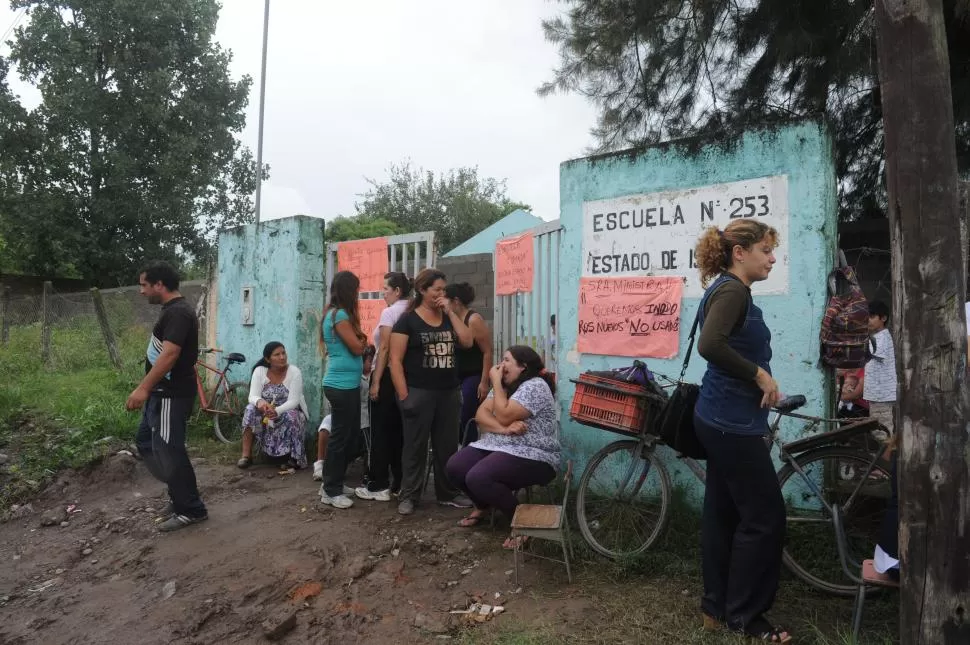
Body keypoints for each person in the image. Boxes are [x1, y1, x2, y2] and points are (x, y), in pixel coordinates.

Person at [692, 221, 791, 643]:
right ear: (739, 252)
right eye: (766, 250)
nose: (772, 258)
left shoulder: (727, 289)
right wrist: (760, 376)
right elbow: (710, 345)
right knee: (765, 517)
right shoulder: (732, 290)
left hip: (719, 418)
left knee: (723, 512)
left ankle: (716, 609)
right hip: (731, 423)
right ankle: (746, 618)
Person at [446, 346, 560, 548]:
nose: (501, 365)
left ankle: (523, 524)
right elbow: (482, 416)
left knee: (479, 477)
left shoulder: (535, 385)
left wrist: (497, 384)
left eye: (507, 360)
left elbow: (505, 413)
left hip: (534, 453)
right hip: (500, 444)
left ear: (523, 367)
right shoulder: (506, 385)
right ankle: (483, 505)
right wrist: (503, 430)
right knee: (455, 467)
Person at [125, 261, 207, 532]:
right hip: (161, 394)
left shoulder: (179, 313)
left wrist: (143, 387)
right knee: (147, 442)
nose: (141, 291)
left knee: (170, 450)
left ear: (159, 285)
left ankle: (191, 509)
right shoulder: (172, 311)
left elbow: (169, 355)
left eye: (144, 285)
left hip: (171, 394)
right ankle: (179, 491)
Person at [389, 268, 475, 516]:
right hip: (418, 391)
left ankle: (447, 493)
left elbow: (468, 341)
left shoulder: (448, 316)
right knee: (414, 448)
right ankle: (409, 496)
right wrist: (405, 395)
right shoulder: (408, 321)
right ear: (422, 290)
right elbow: (395, 361)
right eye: (437, 289)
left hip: (448, 392)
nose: (441, 293)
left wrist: (450, 311)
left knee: (446, 446)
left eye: (443, 289)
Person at [358, 272, 412, 502]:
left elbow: (386, 350)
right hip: (408, 377)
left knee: (380, 431)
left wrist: (376, 381)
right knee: (401, 432)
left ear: (397, 290)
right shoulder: (414, 310)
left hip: (389, 376)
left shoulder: (391, 312)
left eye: (386, 290)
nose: (383, 294)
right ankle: (400, 481)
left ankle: (377, 483)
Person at [317, 270, 367, 509]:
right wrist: (363, 341)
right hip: (341, 385)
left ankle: (332, 481)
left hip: (346, 384)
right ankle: (330, 489)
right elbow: (357, 348)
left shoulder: (336, 314)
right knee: (340, 438)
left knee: (347, 436)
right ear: (349, 291)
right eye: (356, 289)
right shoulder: (339, 316)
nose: (357, 294)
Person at [238, 342, 309, 470]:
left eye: (283, 353)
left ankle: (294, 458)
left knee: (292, 414)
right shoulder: (260, 371)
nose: (282, 357)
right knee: (250, 409)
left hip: (287, 410)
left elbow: (294, 401)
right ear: (267, 359)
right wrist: (261, 402)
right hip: (266, 411)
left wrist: (277, 411)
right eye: (277, 354)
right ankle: (246, 456)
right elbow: (252, 396)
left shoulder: (294, 372)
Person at [445, 282, 493, 445]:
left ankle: (469, 447)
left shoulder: (473, 320)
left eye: (446, 299)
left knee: (466, 414)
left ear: (455, 301)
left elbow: (487, 351)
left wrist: (484, 381)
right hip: (456, 374)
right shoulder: (450, 319)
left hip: (474, 374)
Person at [863, 300, 896, 443]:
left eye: (871, 317)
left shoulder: (881, 337)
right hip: (878, 395)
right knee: (879, 432)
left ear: (883, 318)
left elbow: (865, 354)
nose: (868, 321)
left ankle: (886, 464)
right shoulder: (877, 337)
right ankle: (883, 463)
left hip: (881, 396)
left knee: (882, 434)